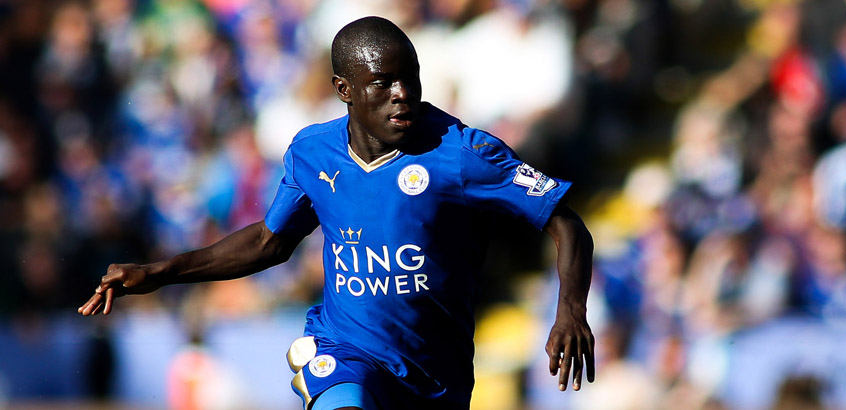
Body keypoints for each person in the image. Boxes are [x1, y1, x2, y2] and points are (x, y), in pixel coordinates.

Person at [79, 16, 595, 410]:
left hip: (435, 377)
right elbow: (268, 242)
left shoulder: (462, 153)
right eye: (383, 82)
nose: (402, 95)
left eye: (410, 78)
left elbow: (567, 224)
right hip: (343, 352)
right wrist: (160, 272)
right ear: (344, 89)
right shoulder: (312, 152)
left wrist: (570, 309)